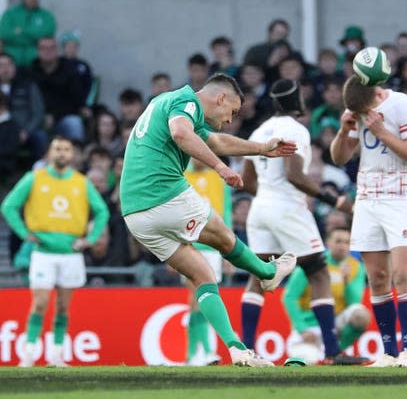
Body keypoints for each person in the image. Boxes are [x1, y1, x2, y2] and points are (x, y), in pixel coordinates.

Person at [119, 73, 298, 367]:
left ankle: (237, 349)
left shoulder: (167, 103)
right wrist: (220, 168)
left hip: (135, 215)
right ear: (221, 98)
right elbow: (180, 134)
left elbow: (217, 141)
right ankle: (267, 273)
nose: (230, 119)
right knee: (224, 236)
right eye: (233, 112)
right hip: (161, 194)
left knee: (203, 276)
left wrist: (262, 148)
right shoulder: (186, 101)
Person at [239, 79, 366, 365]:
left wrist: (269, 199)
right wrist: (337, 201)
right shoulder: (295, 130)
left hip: (260, 208)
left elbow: (247, 181)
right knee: (319, 273)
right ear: (297, 103)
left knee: (258, 278)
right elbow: (294, 175)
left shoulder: (259, 131)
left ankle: (245, 352)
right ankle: (333, 351)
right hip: (286, 206)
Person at [330, 74, 407, 367]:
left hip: (402, 199)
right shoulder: (355, 112)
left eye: (360, 113)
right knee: (377, 279)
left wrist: (382, 132)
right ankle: (388, 352)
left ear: (375, 97)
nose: (358, 117)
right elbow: (339, 158)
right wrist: (343, 131)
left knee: (402, 275)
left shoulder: (405, 106)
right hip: (367, 200)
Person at [0, 136, 110, 367]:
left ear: (73, 155)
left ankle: (57, 355)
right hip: (42, 252)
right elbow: (8, 205)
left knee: (63, 306)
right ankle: (28, 354)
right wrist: (23, 232)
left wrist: (89, 239)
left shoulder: (81, 182)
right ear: (49, 154)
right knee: (39, 303)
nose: (62, 153)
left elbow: (102, 211)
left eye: (66, 149)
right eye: (57, 149)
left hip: (71, 252)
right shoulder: (34, 179)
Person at [282, 227, 370, 361]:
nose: (342, 246)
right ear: (328, 243)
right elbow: (289, 297)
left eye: (347, 242)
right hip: (310, 326)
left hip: (335, 325)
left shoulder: (356, 267)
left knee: (361, 315)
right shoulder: (313, 264)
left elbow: (354, 303)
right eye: (338, 241)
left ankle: (336, 353)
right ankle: (318, 353)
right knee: (306, 360)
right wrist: (302, 328)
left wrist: (346, 282)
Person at [182, 158, 233, 366]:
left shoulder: (219, 179)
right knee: (198, 299)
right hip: (188, 245)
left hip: (213, 247)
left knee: (198, 300)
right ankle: (207, 351)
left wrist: (228, 249)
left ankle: (192, 353)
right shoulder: (181, 176)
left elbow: (226, 215)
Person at [0, 0, 56, 68]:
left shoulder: (47, 16)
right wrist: (33, 35)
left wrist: (21, 31)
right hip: (11, 62)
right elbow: (5, 34)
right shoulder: (9, 14)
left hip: (37, 63)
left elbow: (47, 35)